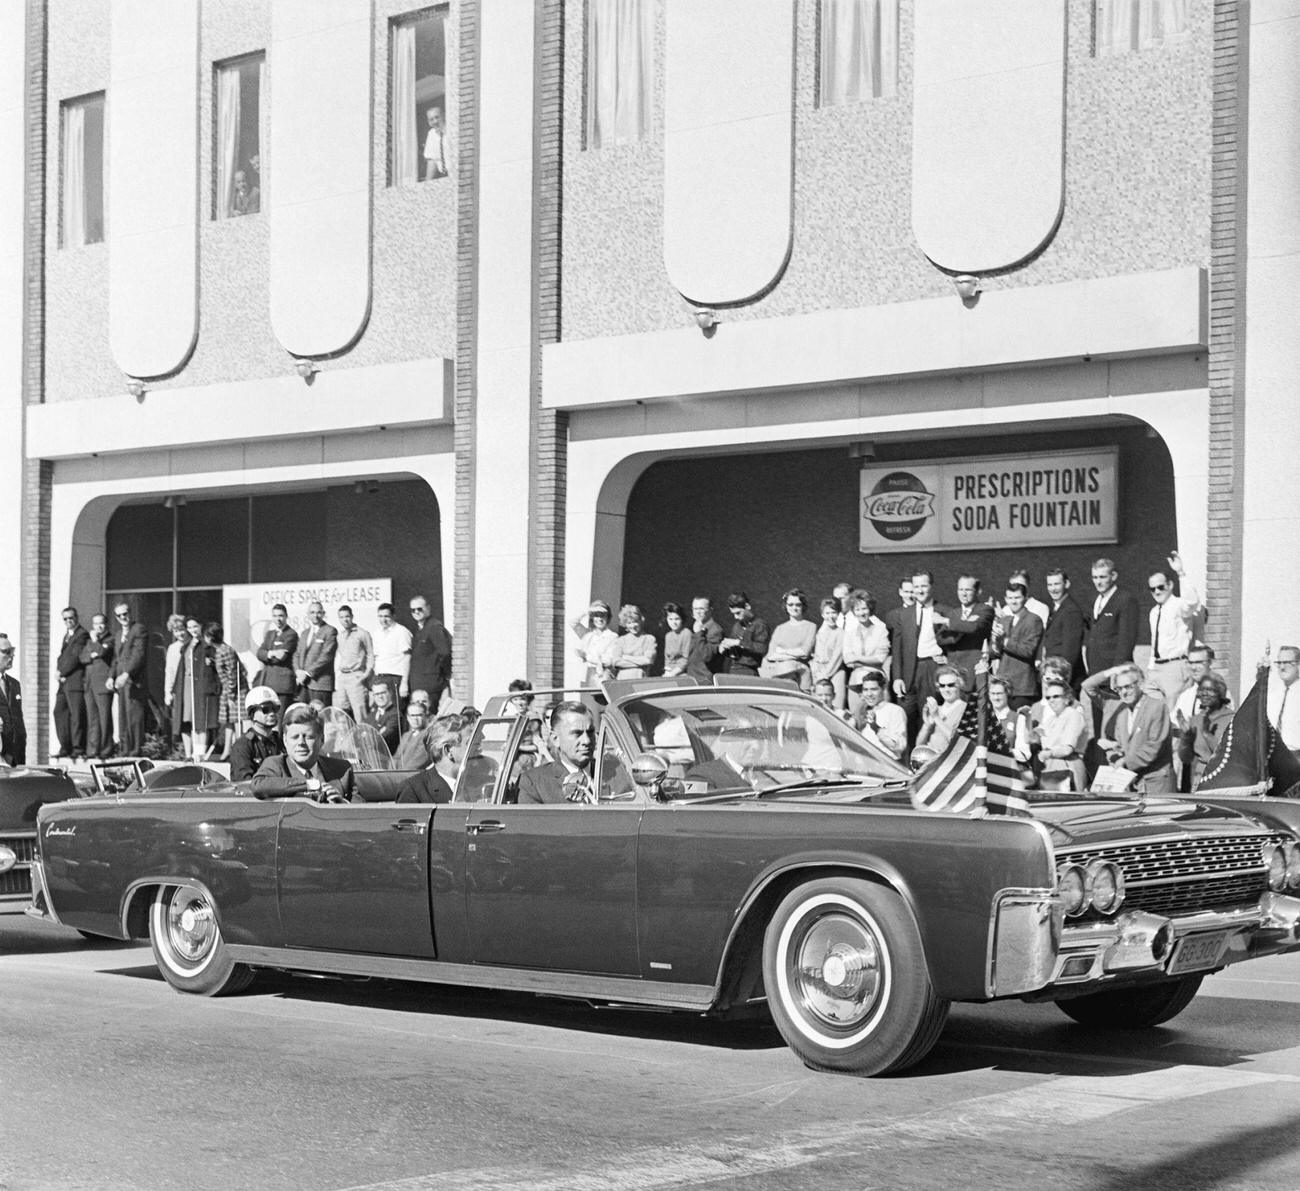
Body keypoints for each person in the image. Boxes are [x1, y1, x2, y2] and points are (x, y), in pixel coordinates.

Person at [251, 704, 356, 802]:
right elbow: (258, 785)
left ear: (322, 739)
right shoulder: (276, 765)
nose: (301, 743)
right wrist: (311, 784)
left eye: (309, 737)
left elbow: (363, 809)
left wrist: (342, 805)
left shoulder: (343, 770)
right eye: (295, 737)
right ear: (285, 740)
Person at [891, 571, 948, 745]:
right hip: (908, 674)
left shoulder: (945, 611)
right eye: (916, 587)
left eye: (923, 586)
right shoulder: (903, 614)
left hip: (930, 668)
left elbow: (953, 642)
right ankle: (907, 766)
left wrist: (946, 658)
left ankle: (925, 762)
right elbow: (897, 647)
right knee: (905, 720)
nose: (920, 590)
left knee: (927, 718)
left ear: (931, 586)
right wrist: (898, 677)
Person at [1099, 663, 1174, 793]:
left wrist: (1125, 762)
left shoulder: (1157, 707)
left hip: (1156, 783)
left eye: (1128, 687)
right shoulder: (1122, 715)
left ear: (1140, 684)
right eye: (1119, 689)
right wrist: (1112, 752)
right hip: (1133, 784)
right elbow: (1122, 746)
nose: (1123, 692)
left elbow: (1154, 746)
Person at [1146, 551, 1205, 712]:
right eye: (1152, 589)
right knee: (1151, 712)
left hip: (1175, 667)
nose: (1157, 592)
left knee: (1174, 715)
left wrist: (1180, 572)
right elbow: (1154, 643)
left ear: (1170, 585)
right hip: (1156, 669)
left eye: (1160, 587)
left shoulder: (1178, 606)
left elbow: (1192, 601)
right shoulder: (1154, 612)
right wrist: (1151, 668)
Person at [517, 701, 597, 804]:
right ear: (555, 739)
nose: (586, 741)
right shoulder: (535, 783)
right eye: (577, 733)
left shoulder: (616, 775)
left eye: (590, 732)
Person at [1084, 557, 1140, 678]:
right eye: (1095, 577)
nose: (1098, 582)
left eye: (1102, 577)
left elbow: (1127, 639)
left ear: (1113, 576)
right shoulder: (1096, 599)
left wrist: (1117, 670)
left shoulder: (1125, 599)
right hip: (1095, 670)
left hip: (1114, 671)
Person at [991, 582, 1044, 709]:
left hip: (1022, 687)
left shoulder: (1034, 620)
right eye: (1010, 598)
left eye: (1017, 598)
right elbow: (993, 653)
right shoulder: (1003, 620)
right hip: (1002, 686)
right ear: (1005, 599)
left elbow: (1028, 650)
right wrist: (995, 643)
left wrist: (1004, 641)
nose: (1013, 602)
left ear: (1026, 598)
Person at [173, 617, 219, 760]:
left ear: (200, 626)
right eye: (190, 627)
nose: (192, 630)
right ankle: (188, 754)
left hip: (199, 686)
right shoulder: (187, 645)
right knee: (186, 720)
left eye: (195, 626)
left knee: (199, 720)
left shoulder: (207, 645)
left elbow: (216, 662)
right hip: (186, 686)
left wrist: (211, 662)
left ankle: (199, 753)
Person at [936, 576, 993, 693]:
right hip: (954, 672)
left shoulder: (984, 610)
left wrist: (947, 622)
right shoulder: (952, 613)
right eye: (960, 590)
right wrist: (961, 628)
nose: (963, 594)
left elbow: (974, 627)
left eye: (968, 590)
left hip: (975, 670)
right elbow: (941, 638)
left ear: (978, 591)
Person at [1181, 674, 1234, 789]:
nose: (1204, 694)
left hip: (1222, 779)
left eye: (1209, 690)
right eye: (1201, 690)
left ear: (1220, 693)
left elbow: (1227, 755)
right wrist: (1186, 738)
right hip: (1198, 780)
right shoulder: (1195, 720)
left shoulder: (1232, 720)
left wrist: (1206, 734)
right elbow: (1186, 758)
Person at [109, 603, 148, 756]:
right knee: (123, 716)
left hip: (133, 680)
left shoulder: (139, 629)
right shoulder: (118, 634)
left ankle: (136, 750)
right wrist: (111, 676)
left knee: (134, 716)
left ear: (130, 613)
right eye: (119, 615)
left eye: (125, 614)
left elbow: (139, 655)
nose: (123, 617)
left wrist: (127, 674)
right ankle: (125, 749)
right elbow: (116, 658)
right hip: (121, 681)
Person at [842, 590, 890, 715]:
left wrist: (857, 658)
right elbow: (848, 660)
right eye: (857, 610)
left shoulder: (881, 630)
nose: (861, 613)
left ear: (870, 609)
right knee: (857, 717)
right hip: (855, 680)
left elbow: (880, 658)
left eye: (864, 609)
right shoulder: (850, 633)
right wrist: (868, 659)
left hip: (877, 678)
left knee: (880, 716)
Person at [1035, 680, 1089, 790]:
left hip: (1068, 766)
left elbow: (1067, 749)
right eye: (1048, 697)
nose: (1051, 701)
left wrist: (1046, 754)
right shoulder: (1050, 720)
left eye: (1056, 696)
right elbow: (1035, 740)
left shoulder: (1073, 715)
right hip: (1050, 768)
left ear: (1066, 698)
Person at [1041, 568, 1086, 691]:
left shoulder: (1071, 610)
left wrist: (1061, 681)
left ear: (1066, 584)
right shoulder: (1057, 608)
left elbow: (1070, 652)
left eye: (1057, 584)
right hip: (1055, 676)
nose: (1053, 588)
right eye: (1050, 584)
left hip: (1064, 679)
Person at [53, 606, 89, 760]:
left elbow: (75, 657)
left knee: (76, 715)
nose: (69, 621)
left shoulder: (82, 634)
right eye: (65, 619)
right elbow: (63, 657)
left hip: (74, 680)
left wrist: (61, 672)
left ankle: (77, 747)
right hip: (63, 681)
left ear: (77, 618)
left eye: (71, 618)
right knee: (59, 712)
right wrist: (59, 673)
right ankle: (65, 746)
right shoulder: (67, 636)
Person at [228, 686, 285, 782]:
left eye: (275, 709)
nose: (272, 713)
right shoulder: (243, 745)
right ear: (252, 714)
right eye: (265, 709)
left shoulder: (281, 741)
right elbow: (243, 781)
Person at [761, 589, 816, 689]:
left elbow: (804, 652)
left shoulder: (810, 626)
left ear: (803, 606)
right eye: (790, 604)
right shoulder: (780, 628)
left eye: (798, 604)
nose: (794, 608)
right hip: (779, 674)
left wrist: (782, 652)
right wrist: (792, 654)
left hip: (800, 677)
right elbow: (771, 655)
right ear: (785, 606)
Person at [79, 613, 115, 760]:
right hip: (89, 684)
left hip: (102, 683)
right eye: (95, 624)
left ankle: (106, 749)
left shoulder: (110, 639)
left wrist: (95, 646)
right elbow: (82, 658)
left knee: (104, 718)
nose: (98, 627)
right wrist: (93, 652)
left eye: (101, 624)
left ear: (106, 624)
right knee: (92, 718)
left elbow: (102, 652)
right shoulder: (90, 642)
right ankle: (92, 750)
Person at [408, 595, 453, 711]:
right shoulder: (420, 629)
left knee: (428, 716)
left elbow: (445, 653)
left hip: (431, 684)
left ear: (428, 608)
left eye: (420, 609)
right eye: (413, 610)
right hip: (419, 683)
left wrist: (443, 675)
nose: (416, 612)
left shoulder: (434, 627)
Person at [853, 669, 907, 760]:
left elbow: (899, 746)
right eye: (865, 690)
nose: (869, 694)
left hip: (888, 766)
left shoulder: (895, 711)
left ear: (883, 689)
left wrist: (877, 729)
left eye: (874, 689)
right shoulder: (861, 712)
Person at [333, 604, 374, 723]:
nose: (345, 619)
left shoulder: (362, 633)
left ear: (352, 616)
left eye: (347, 616)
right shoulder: (340, 636)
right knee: (342, 712)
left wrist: (366, 674)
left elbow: (370, 654)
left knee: (360, 713)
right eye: (341, 617)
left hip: (356, 676)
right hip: (343, 677)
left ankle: (363, 739)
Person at [207, 622, 243, 761]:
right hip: (227, 689)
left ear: (210, 637)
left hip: (233, 690)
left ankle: (239, 751)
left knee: (238, 721)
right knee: (228, 721)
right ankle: (227, 750)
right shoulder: (219, 651)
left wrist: (231, 695)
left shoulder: (225, 650)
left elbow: (232, 672)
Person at [256, 604, 299, 717]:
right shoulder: (270, 634)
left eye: (281, 616)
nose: (278, 619)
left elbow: (281, 658)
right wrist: (272, 653)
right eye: (275, 616)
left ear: (286, 616)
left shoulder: (291, 634)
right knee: (268, 717)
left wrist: (267, 654)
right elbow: (259, 653)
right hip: (268, 682)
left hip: (282, 685)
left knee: (280, 719)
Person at [293, 601, 338, 706]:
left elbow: (326, 656)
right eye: (312, 612)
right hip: (303, 685)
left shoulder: (330, 631)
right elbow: (297, 654)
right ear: (308, 614)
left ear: (323, 614)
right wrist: (298, 671)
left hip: (321, 684)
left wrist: (307, 673)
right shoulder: (304, 633)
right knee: (304, 717)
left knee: (321, 718)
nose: (315, 615)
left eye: (318, 612)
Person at [915, 664, 968, 753]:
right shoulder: (936, 709)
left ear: (960, 684)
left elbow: (958, 743)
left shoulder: (966, 709)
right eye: (942, 686)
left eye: (951, 685)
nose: (946, 690)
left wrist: (937, 718)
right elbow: (919, 746)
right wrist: (927, 726)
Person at [372, 602, 413, 705]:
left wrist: (404, 683)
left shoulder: (402, 632)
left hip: (395, 678)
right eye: (380, 616)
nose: (383, 619)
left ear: (393, 616)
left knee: (396, 710)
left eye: (386, 616)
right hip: (380, 678)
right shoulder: (377, 633)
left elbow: (407, 657)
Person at [721, 592, 770, 677]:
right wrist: (724, 648)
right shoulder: (737, 625)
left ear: (747, 606)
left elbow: (762, 648)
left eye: (738, 613)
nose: (736, 617)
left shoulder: (760, 625)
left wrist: (739, 643)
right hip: (733, 669)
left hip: (749, 671)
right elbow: (733, 650)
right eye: (733, 614)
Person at [571, 600, 619, 684]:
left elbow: (608, 660)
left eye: (603, 616)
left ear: (608, 618)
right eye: (596, 616)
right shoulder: (588, 634)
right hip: (586, 675)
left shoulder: (612, 636)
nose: (599, 619)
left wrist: (586, 656)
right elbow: (573, 622)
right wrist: (588, 611)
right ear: (592, 618)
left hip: (602, 676)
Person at [811, 597, 846, 709]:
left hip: (835, 672)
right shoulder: (819, 633)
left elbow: (837, 657)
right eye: (827, 613)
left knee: (836, 706)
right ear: (822, 614)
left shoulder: (840, 633)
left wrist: (825, 675)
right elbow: (816, 655)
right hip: (819, 671)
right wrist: (816, 672)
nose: (830, 616)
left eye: (833, 612)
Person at [1267, 645, 1300, 758]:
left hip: (1295, 757)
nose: (1282, 667)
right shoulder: (1273, 694)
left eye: (1287, 662)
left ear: (1298, 664)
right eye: (1279, 663)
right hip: (1273, 756)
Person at [609, 604, 657, 679]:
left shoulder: (649, 639)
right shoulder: (621, 640)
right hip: (622, 679)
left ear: (641, 621)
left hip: (640, 677)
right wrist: (640, 662)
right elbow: (616, 662)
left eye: (635, 622)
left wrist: (626, 657)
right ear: (625, 624)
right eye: (629, 623)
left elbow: (648, 660)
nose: (633, 626)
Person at [161, 613, 188, 741]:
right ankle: (181, 748)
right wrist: (168, 692)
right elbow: (169, 671)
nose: (180, 634)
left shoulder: (192, 645)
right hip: (177, 687)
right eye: (176, 631)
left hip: (189, 685)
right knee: (180, 719)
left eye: (182, 630)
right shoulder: (172, 648)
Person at [0, 635, 26, 766]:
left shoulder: (14, 684)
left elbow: (17, 719)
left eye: (13, 651)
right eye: (6, 652)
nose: (12, 656)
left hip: (17, 755)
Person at [686, 597, 725, 682]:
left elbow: (707, 656)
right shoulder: (695, 627)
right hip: (692, 678)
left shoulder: (716, 630)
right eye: (695, 609)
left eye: (701, 609)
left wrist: (699, 634)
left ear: (710, 610)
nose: (697, 612)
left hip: (705, 680)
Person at [392, 698, 437, 770]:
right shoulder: (406, 735)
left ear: (425, 716)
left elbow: (417, 762)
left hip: (411, 775)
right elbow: (396, 758)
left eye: (419, 715)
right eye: (412, 715)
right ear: (408, 717)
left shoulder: (428, 736)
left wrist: (397, 775)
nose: (415, 719)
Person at [365, 679, 401, 752]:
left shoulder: (395, 715)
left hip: (386, 758)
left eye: (383, 693)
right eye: (376, 694)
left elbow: (384, 737)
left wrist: (368, 736)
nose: (380, 696)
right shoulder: (373, 714)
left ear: (390, 693)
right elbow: (361, 732)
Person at [660, 603, 692, 678]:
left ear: (682, 619)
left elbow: (686, 659)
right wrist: (667, 672)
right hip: (669, 673)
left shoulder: (686, 633)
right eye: (670, 619)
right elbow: (667, 659)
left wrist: (672, 674)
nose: (673, 622)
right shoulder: (668, 635)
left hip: (682, 674)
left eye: (677, 619)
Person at [423, 105, 447, 180]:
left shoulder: (452, 129)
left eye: (437, 117)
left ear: (444, 116)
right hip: (443, 175)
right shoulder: (431, 134)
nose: (435, 121)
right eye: (431, 119)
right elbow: (432, 160)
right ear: (429, 122)